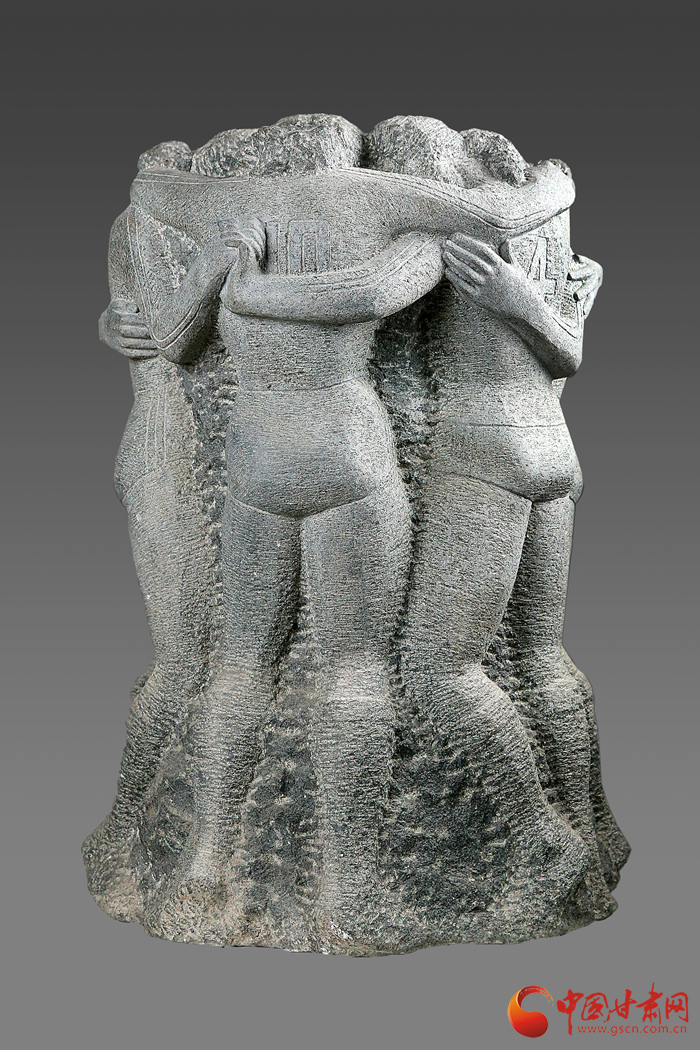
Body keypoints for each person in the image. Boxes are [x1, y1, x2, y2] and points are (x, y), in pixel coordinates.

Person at [126, 114, 579, 943]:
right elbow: (403, 276)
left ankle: (205, 863)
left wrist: (236, 283)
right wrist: (555, 183)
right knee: (357, 668)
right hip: (349, 452)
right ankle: (351, 887)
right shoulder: (381, 202)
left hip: (259, 456)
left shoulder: (226, 210)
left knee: (241, 663)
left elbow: (154, 226)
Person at [368, 116, 628, 918]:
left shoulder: (453, 229)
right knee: (540, 657)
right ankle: (593, 827)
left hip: (489, 451)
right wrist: (541, 298)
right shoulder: (548, 223)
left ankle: (543, 838)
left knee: (437, 669)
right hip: (552, 448)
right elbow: (568, 353)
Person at [82, 139, 235, 922]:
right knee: (188, 662)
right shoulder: (149, 224)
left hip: (244, 462)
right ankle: (142, 827)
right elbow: (168, 337)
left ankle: (206, 841)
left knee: (229, 664)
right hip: (170, 452)